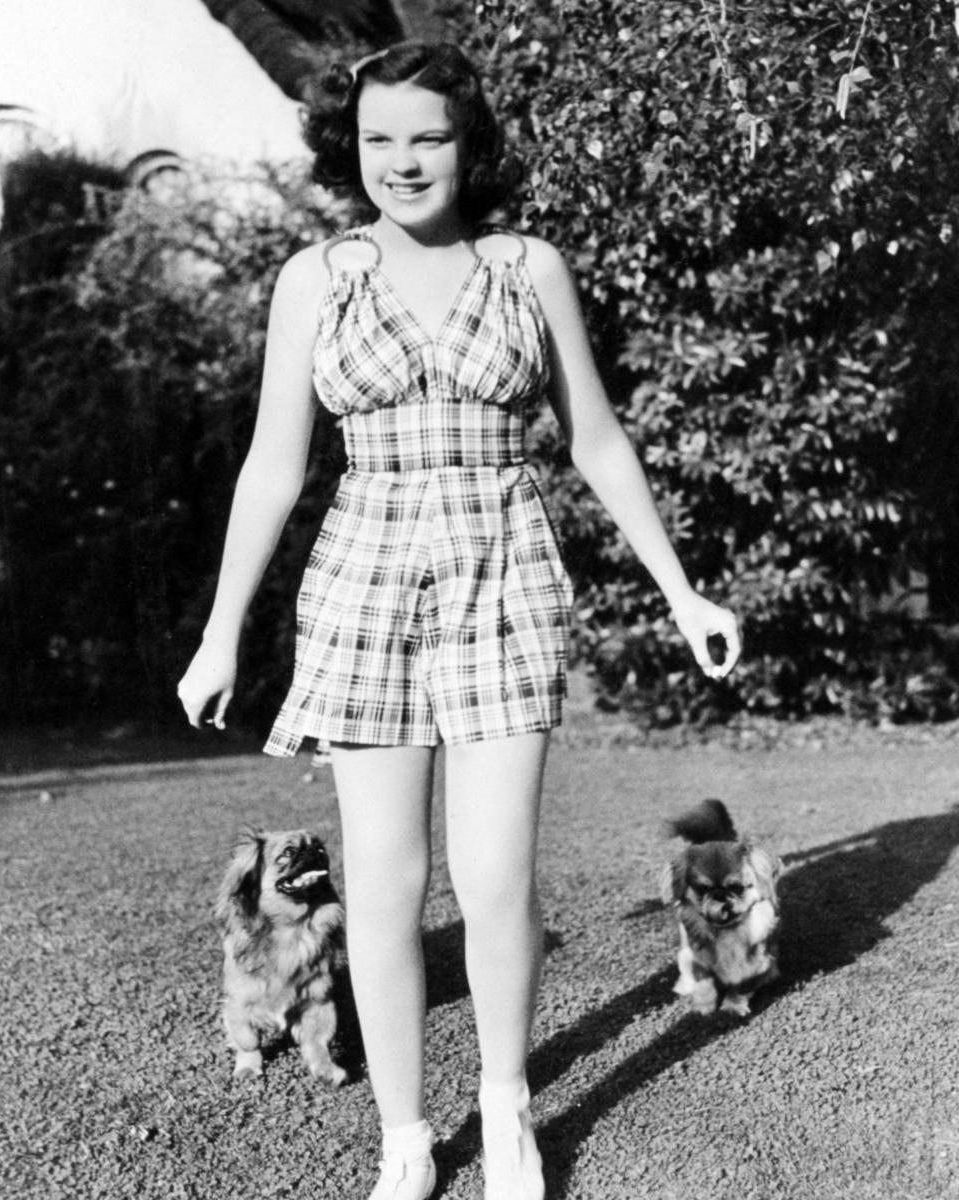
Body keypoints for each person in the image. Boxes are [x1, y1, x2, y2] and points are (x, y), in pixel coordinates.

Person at [178, 40, 740, 1200]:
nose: (403, 161)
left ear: (468, 143)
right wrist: (221, 629)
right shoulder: (316, 278)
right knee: (384, 883)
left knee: (492, 876)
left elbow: (593, 439)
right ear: (351, 147)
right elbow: (274, 468)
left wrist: (682, 590)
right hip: (364, 581)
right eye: (379, 138)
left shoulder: (528, 266)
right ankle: (403, 1136)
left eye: (427, 136)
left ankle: (506, 1108)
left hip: (506, 570)